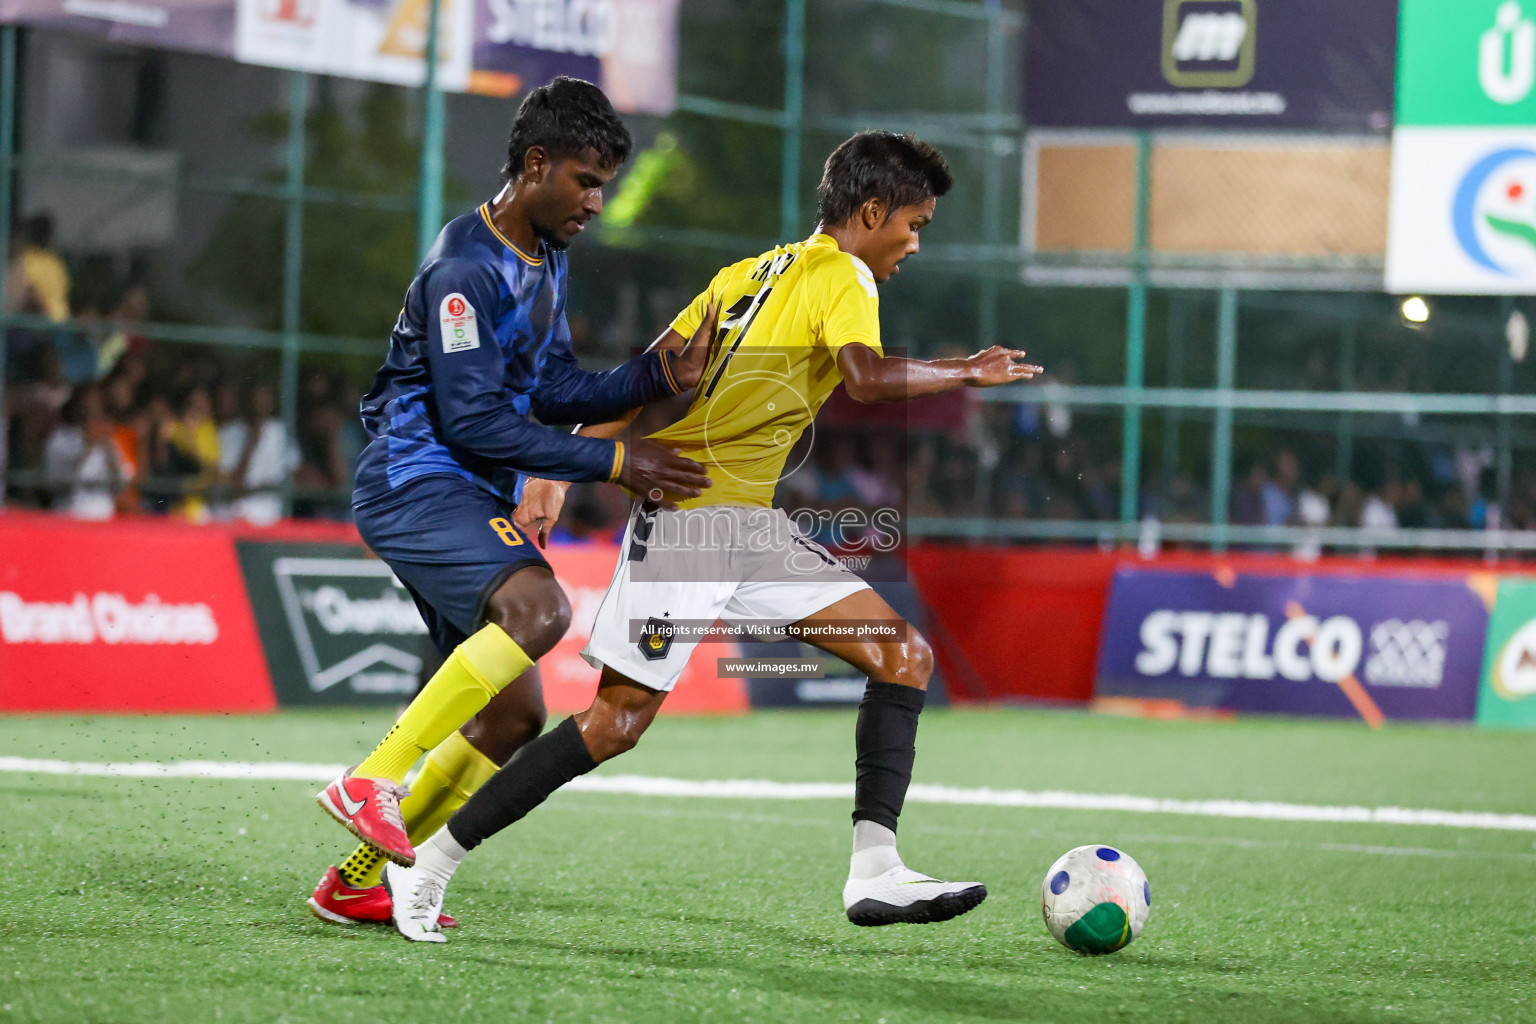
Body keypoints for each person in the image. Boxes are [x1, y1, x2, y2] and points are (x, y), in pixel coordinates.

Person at [380, 130, 1042, 942]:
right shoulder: (845, 273)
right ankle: (430, 862)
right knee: (616, 723)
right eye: (915, 223)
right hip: (692, 524)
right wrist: (966, 369)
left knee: (901, 654)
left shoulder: (747, 273)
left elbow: (651, 369)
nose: (914, 242)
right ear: (872, 212)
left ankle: (876, 869)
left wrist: (554, 474)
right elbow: (866, 378)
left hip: (748, 525)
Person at [306, 77, 717, 926]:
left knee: (513, 718)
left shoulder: (543, 256)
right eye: (586, 180)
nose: (597, 202)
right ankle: (368, 780)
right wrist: (612, 462)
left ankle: (353, 880)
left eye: (603, 182)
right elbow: (475, 419)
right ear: (536, 165)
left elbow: (553, 383)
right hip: (412, 479)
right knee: (539, 610)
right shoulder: (465, 267)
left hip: (460, 487)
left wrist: (654, 375)